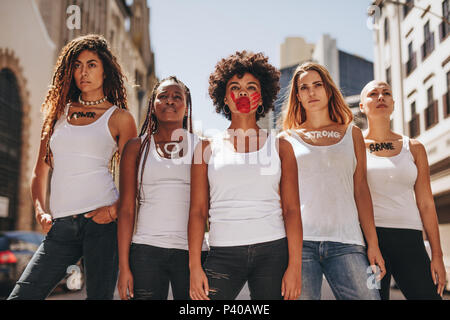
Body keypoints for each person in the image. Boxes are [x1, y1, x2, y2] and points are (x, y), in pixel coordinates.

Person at [7, 34, 137, 300]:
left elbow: (134, 177)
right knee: (23, 295)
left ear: (105, 70)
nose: (83, 72)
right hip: (62, 226)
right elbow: (39, 172)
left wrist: (113, 210)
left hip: (102, 223)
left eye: (91, 64)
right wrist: (40, 210)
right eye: (77, 65)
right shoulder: (57, 115)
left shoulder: (120, 118)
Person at [188, 51, 303, 300]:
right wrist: (194, 266)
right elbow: (197, 211)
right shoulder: (205, 148)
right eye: (235, 87)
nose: (243, 93)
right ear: (224, 98)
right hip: (222, 253)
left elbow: (292, 210)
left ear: (261, 98)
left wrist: (295, 266)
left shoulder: (282, 147)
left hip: (273, 251)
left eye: (251, 87)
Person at [280, 62, 385, 300]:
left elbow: (361, 190)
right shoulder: (285, 140)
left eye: (317, 85)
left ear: (328, 89)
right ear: (297, 95)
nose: (311, 92)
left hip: (349, 242)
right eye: (304, 87)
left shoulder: (353, 134)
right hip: (300, 245)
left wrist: (373, 244)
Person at [117, 76, 208, 300]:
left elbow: (206, 207)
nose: (170, 101)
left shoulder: (203, 147)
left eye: (177, 97)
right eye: (163, 96)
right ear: (153, 105)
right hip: (146, 250)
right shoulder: (136, 147)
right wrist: (124, 266)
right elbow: (126, 209)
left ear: (186, 108)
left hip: (192, 253)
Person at [359, 80, 446, 300]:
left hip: (410, 239)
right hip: (368, 242)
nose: (380, 97)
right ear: (361, 106)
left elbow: (426, 203)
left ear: (393, 103)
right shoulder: (354, 145)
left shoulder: (414, 147)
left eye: (386, 93)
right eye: (373, 94)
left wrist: (437, 255)